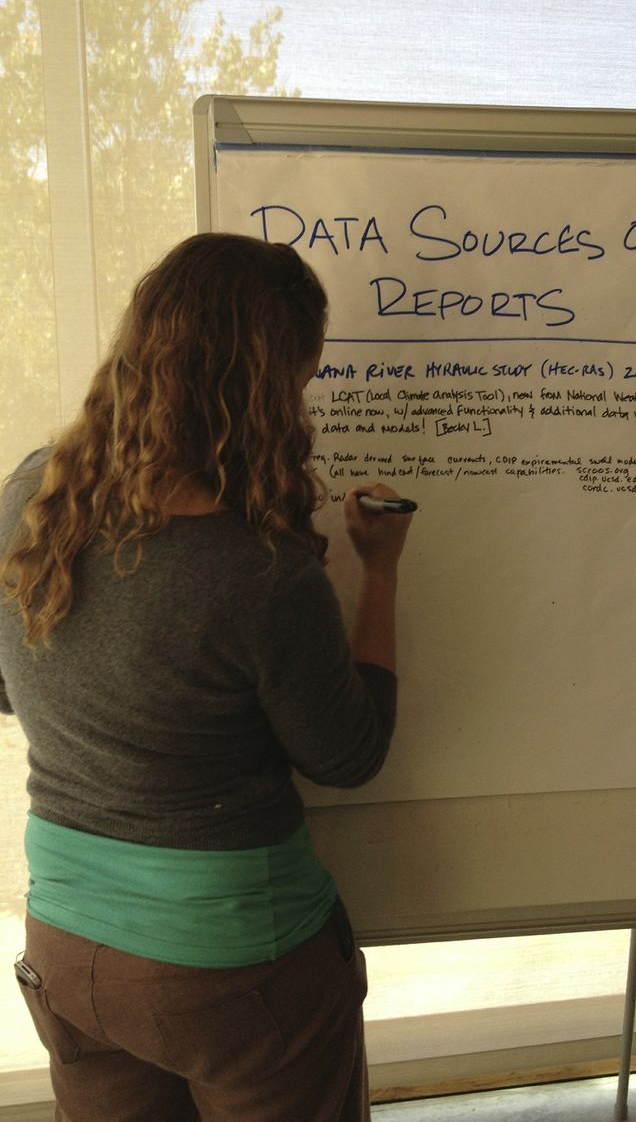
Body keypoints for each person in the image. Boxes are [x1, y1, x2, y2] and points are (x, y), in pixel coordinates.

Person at [0, 232, 413, 1122]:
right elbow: (348, 755)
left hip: (67, 948)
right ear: (266, 392)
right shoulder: (263, 572)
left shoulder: (32, 497)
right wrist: (377, 572)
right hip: (235, 969)